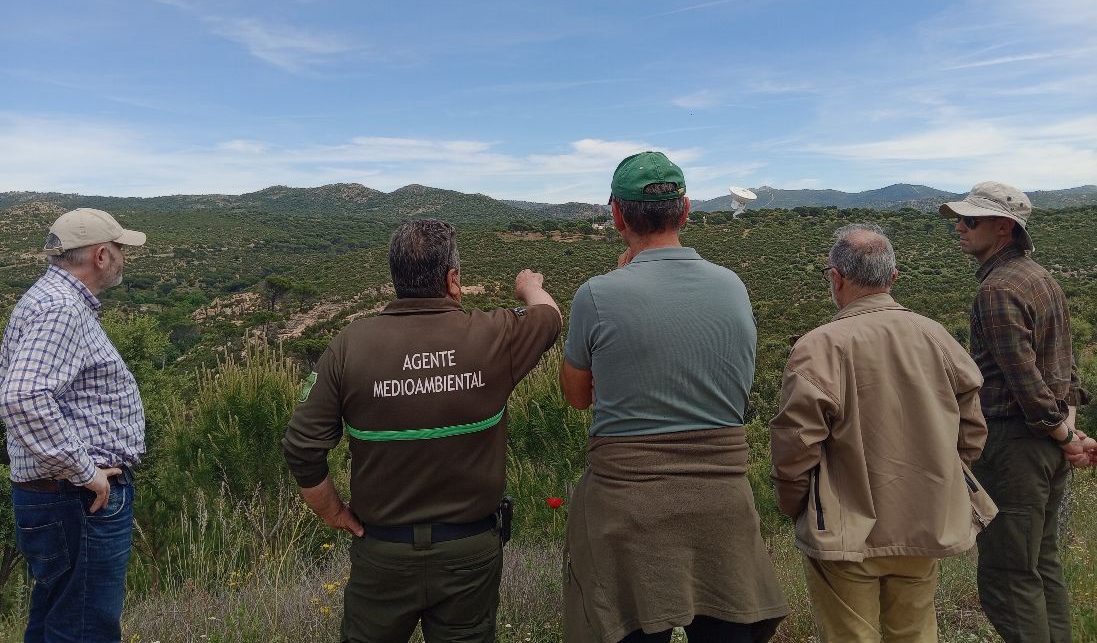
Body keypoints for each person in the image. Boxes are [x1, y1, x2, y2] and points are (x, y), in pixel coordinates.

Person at [283, 218, 561, 643]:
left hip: (382, 552)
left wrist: (334, 513)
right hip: (470, 552)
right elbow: (550, 316)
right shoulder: (494, 335)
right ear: (453, 279)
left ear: (396, 278)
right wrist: (528, 285)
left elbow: (302, 448)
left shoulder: (350, 345)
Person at [559, 151, 788, 643]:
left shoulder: (596, 295)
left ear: (617, 215)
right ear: (685, 211)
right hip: (722, 503)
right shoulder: (733, 287)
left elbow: (577, 397)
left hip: (628, 510)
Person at [769, 223, 997, 642]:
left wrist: (796, 505)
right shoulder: (937, 337)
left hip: (844, 533)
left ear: (835, 278)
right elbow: (972, 431)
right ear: (892, 278)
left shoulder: (818, 347)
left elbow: (795, 447)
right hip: (925, 522)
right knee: (915, 632)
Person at [940, 182, 1090, 643]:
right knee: (1041, 567)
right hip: (1041, 443)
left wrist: (1062, 435)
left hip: (1013, 447)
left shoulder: (998, 290)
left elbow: (1024, 380)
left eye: (971, 220)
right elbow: (1063, 367)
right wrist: (1068, 428)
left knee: (1007, 577)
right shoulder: (1039, 278)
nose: (959, 228)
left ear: (1004, 228)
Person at [0, 208, 147, 641]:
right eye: (120, 248)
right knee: (84, 628)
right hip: (78, 500)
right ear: (101, 255)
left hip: (61, 498)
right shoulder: (62, 309)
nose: (123, 256)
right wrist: (86, 473)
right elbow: (22, 395)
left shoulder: (46, 299)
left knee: (57, 620)